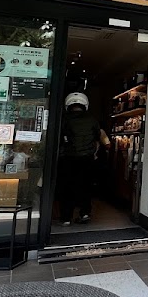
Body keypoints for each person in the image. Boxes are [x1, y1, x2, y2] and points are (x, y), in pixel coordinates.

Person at [56, 92, 109, 225]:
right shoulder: (92, 120)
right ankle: (85, 213)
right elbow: (98, 137)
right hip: (87, 159)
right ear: (85, 104)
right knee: (85, 186)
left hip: (68, 158)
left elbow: (58, 138)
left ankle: (66, 218)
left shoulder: (64, 119)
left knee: (67, 188)